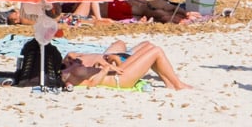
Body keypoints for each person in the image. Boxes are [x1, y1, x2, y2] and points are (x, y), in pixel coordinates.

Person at [61, 41, 190, 90]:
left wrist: (101, 64)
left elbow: (87, 72)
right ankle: (178, 85)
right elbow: (91, 84)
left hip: (116, 73)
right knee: (156, 51)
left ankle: (169, 83)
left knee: (151, 48)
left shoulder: (70, 66)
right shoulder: (67, 76)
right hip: (119, 80)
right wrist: (105, 69)